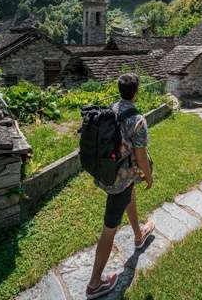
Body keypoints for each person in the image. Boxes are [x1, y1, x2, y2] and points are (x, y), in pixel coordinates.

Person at [86, 73, 154, 299]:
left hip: (107, 172)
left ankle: (139, 235)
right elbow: (141, 157)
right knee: (109, 229)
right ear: (136, 92)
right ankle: (94, 284)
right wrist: (149, 176)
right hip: (120, 181)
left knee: (129, 194)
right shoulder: (138, 120)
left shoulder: (111, 108)